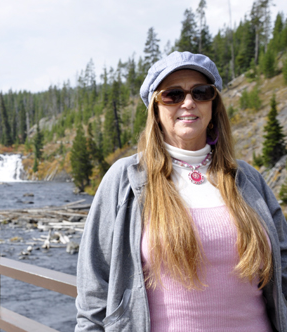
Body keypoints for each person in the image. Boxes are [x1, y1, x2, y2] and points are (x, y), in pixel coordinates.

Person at [75, 51, 287, 332]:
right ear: (155, 108)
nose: (188, 102)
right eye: (173, 95)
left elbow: (283, 266)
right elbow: (94, 289)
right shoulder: (126, 179)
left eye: (201, 92)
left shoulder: (248, 179)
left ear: (214, 105)